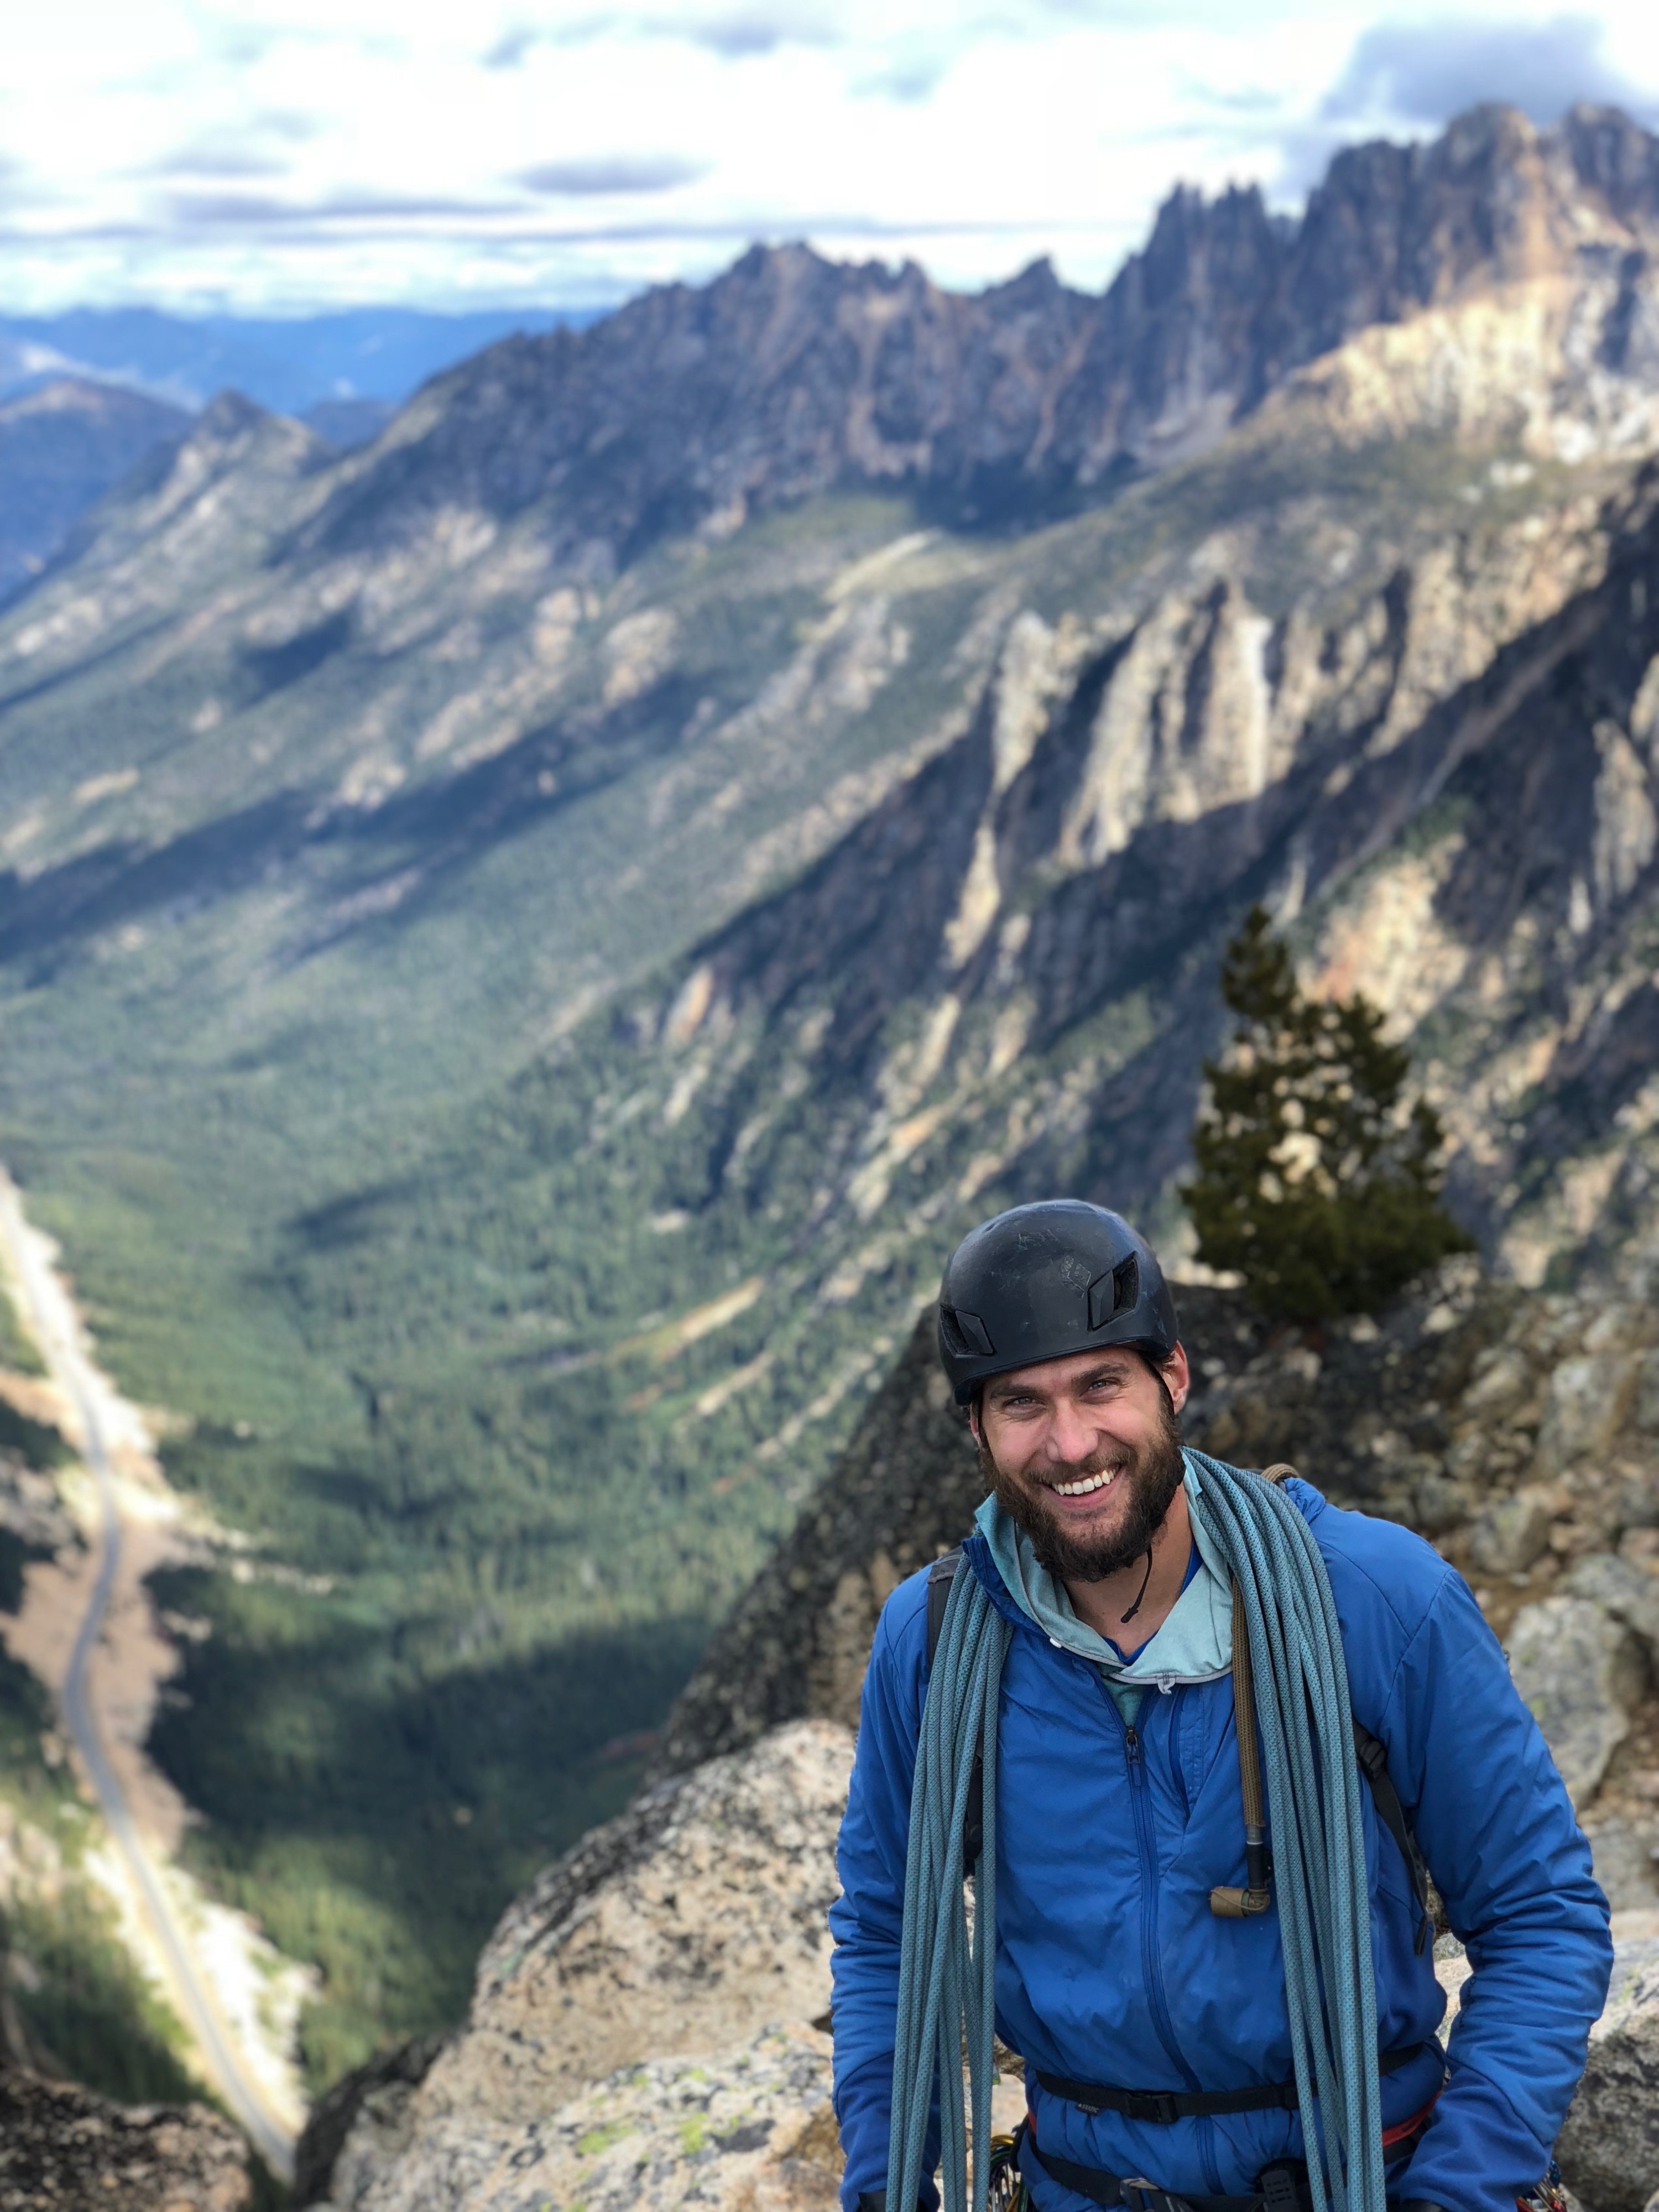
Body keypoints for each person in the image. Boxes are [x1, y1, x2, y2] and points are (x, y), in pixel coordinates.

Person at [830, 1200, 1612, 2212]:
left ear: (1174, 1378)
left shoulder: (1373, 1599)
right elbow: (888, 1936)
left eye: (1101, 1384)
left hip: (1363, 2180)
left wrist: (1460, 2192)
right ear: (976, 1427)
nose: (1070, 1442)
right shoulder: (936, 1643)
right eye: (1021, 1403)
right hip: (1083, 2187)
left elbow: (1540, 1915)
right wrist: (886, 2182)